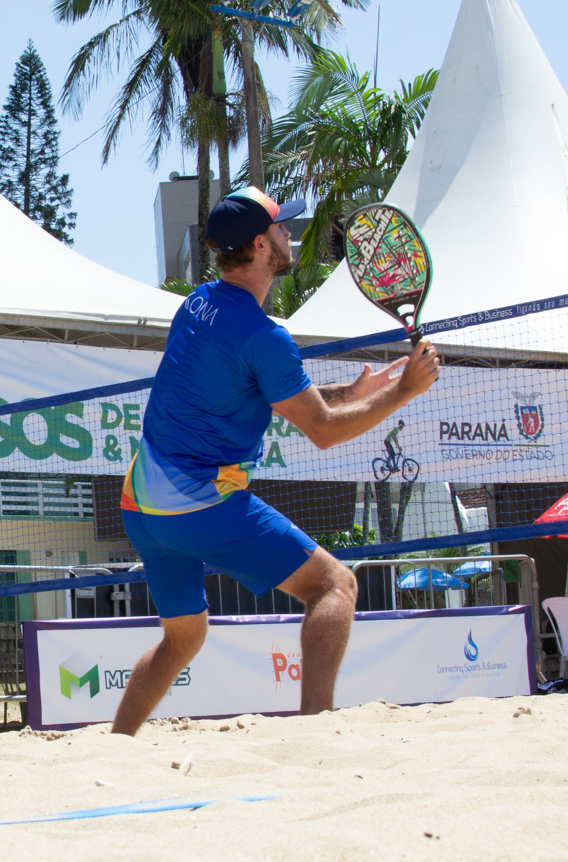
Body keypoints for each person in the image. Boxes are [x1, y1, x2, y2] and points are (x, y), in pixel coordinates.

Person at [110, 187, 441, 734]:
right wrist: (405, 389)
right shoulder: (266, 335)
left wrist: (353, 389)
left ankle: (116, 744)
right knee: (334, 586)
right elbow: (322, 432)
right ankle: (314, 731)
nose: (292, 233)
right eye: (283, 228)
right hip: (199, 504)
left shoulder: (197, 304)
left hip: (141, 502)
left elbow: (281, 395)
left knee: (184, 636)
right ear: (262, 245)